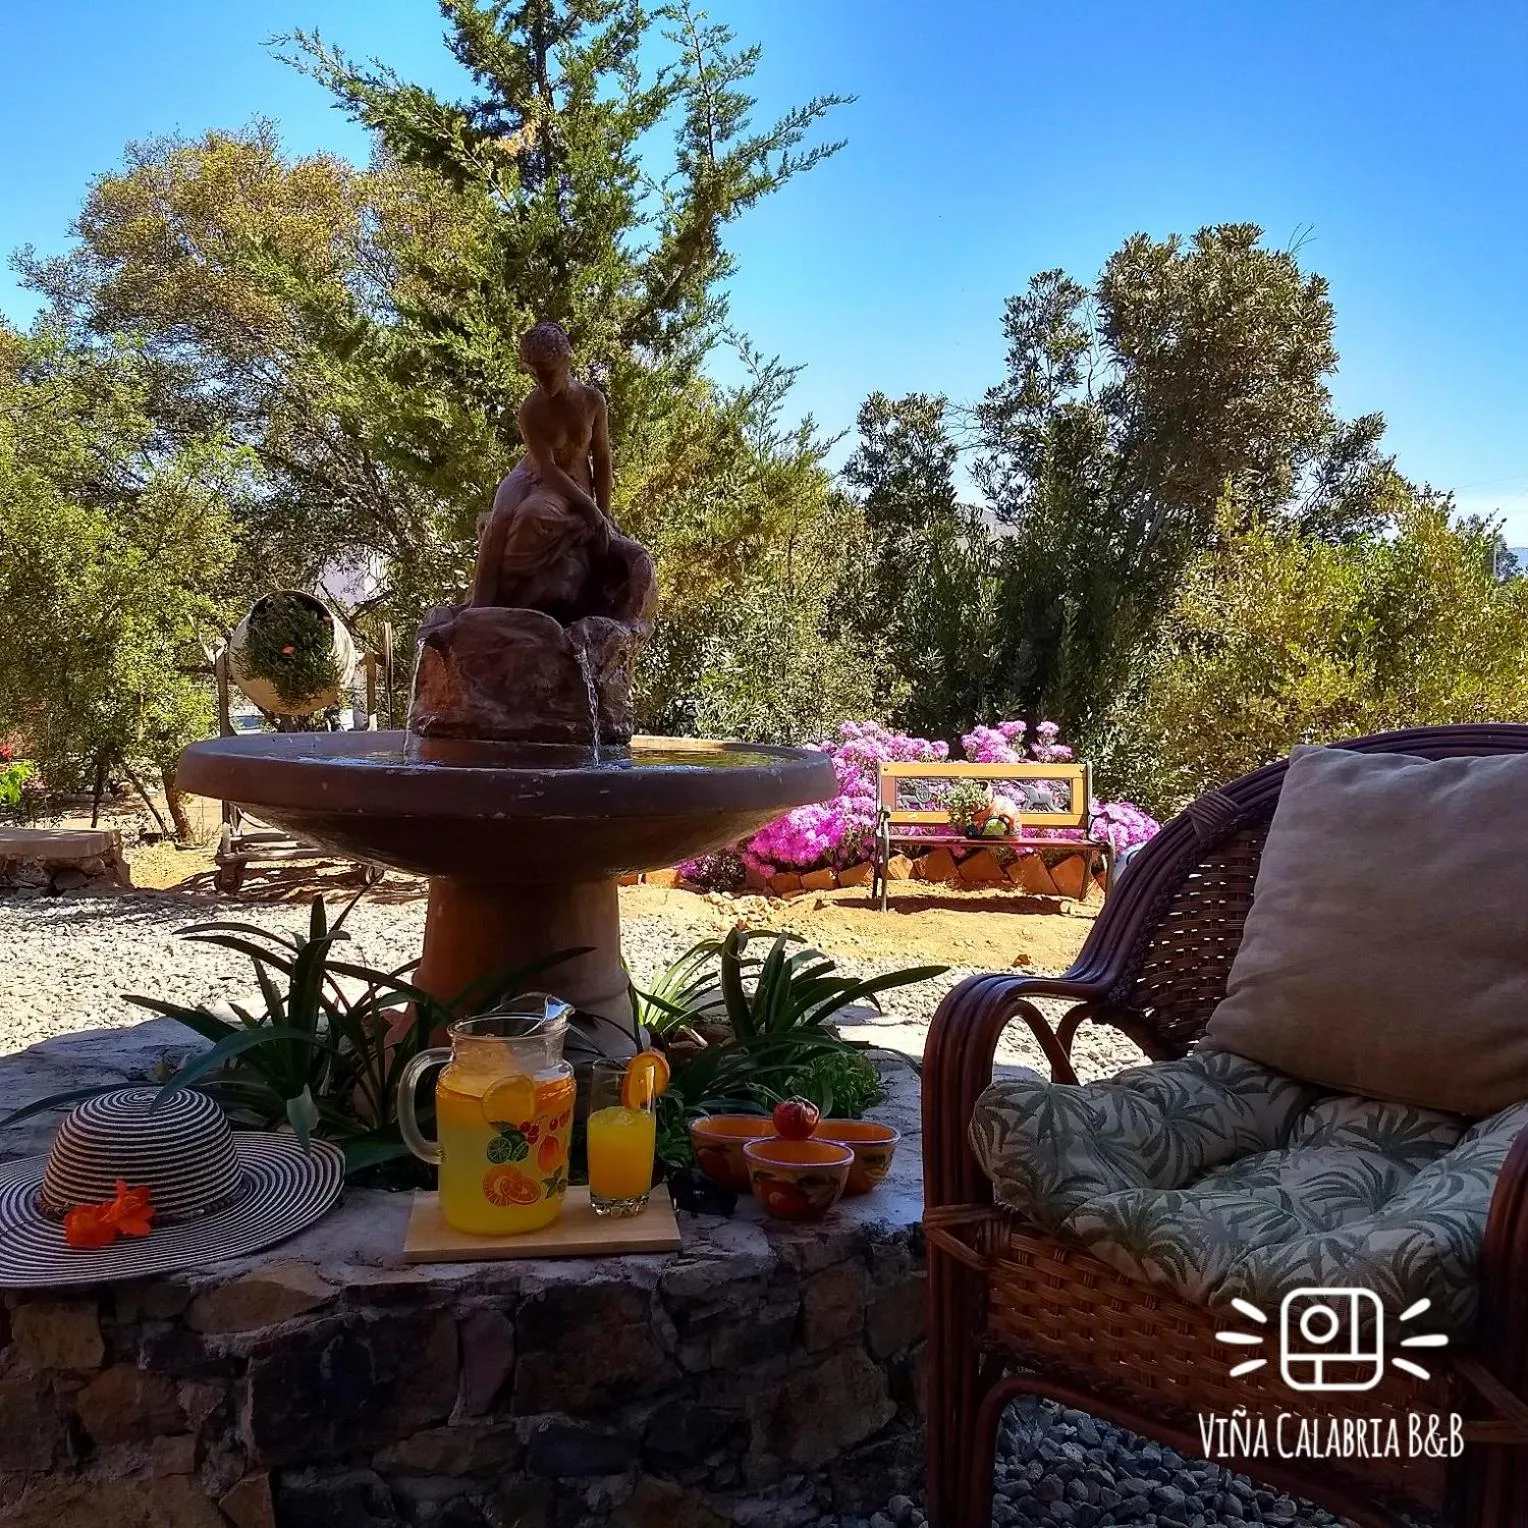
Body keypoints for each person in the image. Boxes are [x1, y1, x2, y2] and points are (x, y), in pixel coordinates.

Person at [470, 321, 619, 618]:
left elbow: (601, 458)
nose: (541, 379)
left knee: (530, 517)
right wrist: (588, 508)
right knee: (501, 516)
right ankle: (479, 608)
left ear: (565, 362)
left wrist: (602, 511)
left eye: (547, 370)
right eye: (535, 372)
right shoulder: (531, 410)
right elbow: (546, 467)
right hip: (532, 472)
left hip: (568, 482)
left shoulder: (591, 401)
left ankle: (521, 597)